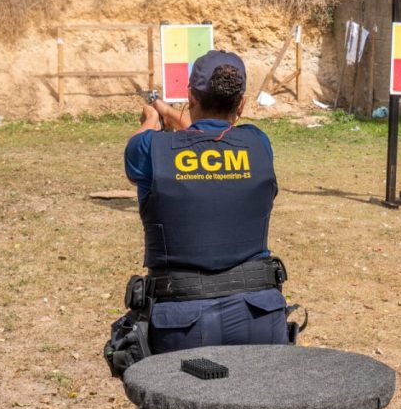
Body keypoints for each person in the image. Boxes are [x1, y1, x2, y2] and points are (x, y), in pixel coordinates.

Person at [121, 49, 290, 356]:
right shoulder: (258, 142)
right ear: (241, 103)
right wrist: (168, 111)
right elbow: (205, 137)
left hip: (181, 322)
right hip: (260, 315)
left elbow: (174, 138)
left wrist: (151, 117)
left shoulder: (149, 148)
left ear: (190, 97)